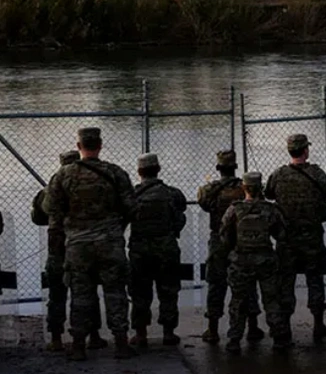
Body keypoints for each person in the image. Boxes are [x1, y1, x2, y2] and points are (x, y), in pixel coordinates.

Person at [42, 127, 136, 360]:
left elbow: (51, 212)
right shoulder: (115, 173)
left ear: (78, 146)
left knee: (81, 295)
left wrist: (65, 236)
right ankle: (121, 343)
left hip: (77, 244)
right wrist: (116, 227)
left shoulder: (63, 176)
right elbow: (132, 208)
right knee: (115, 292)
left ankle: (78, 346)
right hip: (110, 242)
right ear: (100, 145)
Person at [32, 150, 103, 352]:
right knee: (87, 293)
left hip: (58, 250)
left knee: (56, 295)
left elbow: (37, 218)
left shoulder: (48, 192)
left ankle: (56, 338)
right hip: (83, 246)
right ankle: (94, 335)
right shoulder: (89, 188)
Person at [266, 133, 326, 340]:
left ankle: (284, 327)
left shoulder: (278, 175)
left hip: (287, 239)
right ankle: (318, 324)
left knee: (286, 282)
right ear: (306, 150)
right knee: (315, 279)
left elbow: (268, 194)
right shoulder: (318, 174)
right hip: (312, 237)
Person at [219, 171, 290, 354]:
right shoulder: (270, 209)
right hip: (265, 260)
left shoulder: (234, 209)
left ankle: (234, 339)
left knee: (238, 300)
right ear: (261, 188)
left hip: (241, 261)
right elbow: (281, 235)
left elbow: (225, 238)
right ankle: (279, 337)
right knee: (272, 299)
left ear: (244, 187)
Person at [197, 150, 262, 343]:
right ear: (235, 167)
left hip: (219, 240)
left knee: (216, 283)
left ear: (218, 168)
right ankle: (253, 326)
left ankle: (213, 329)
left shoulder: (209, 190)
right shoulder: (244, 189)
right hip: (242, 240)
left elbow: (204, 203)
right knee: (248, 283)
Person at [128, 153, 188, 348]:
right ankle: (169, 333)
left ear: (139, 172)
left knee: (140, 292)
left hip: (140, 251)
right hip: (166, 248)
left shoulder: (133, 196)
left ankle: (141, 334)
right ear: (158, 169)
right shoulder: (172, 193)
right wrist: (172, 231)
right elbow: (180, 215)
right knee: (169, 290)